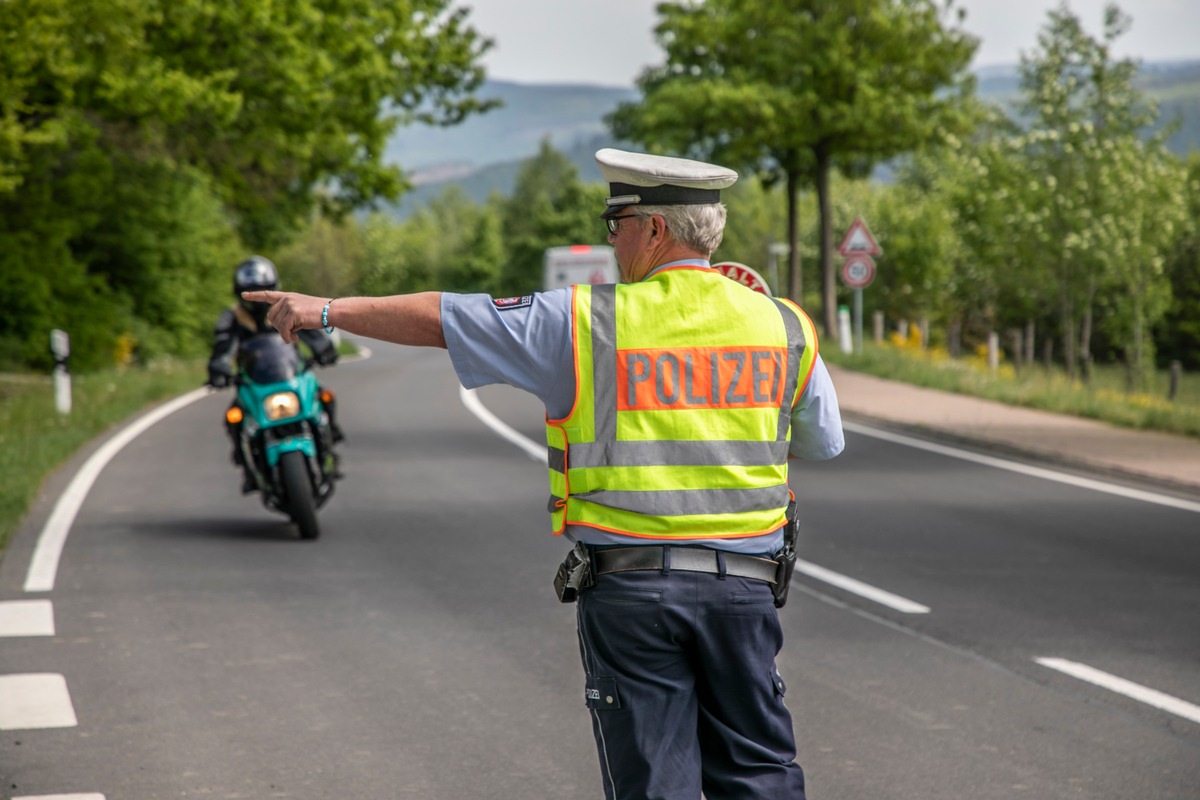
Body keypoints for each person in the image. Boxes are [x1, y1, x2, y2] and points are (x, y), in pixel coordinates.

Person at [244, 148, 844, 800]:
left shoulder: (583, 321)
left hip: (635, 597)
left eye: (617, 223)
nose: (611, 239)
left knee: (654, 784)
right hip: (746, 595)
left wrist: (326, 309)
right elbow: (822, 441)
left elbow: (444, 317)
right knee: (760, 778)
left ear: (655, 229)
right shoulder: (783, 324)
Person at [208, 255, 344, 492]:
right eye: (250, 290)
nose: (257, 295)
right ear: (239, 292)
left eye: (262, 289)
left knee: (324, 397)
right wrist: (219, 369)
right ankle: (248, 466)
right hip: (254, 381)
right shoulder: (231, 317)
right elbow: (223, 346)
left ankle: (331, 439)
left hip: (291, 374)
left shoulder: (286, 308)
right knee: (234, 417)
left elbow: (311, 330)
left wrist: (324, 349)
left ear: (273, 287)